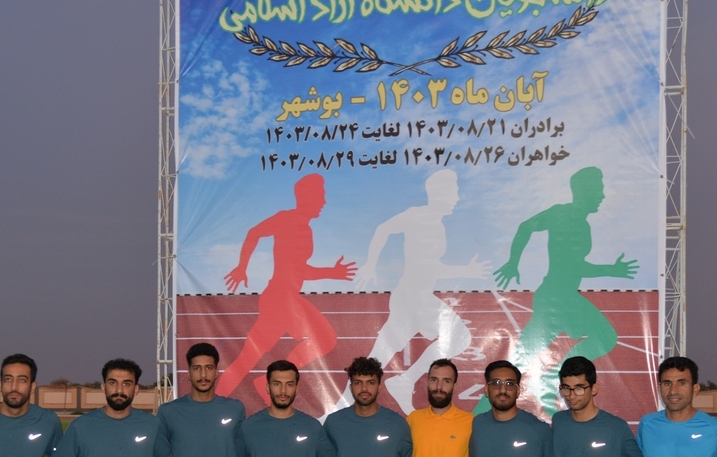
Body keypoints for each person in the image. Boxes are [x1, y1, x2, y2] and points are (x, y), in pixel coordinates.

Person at [490, 166, 639, 417]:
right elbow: (572, 264)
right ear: (584, 191)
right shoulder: (569, 218)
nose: (602, 195)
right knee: (601, 338)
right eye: (598, 190)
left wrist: (514, 262)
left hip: (560, 297)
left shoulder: (570, 217)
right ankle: (549, 380)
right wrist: (612, 270)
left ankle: (550, 379)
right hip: (557, 299)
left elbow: (527, 227)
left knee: (520, 361)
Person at [343, 169, 488, 413]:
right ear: (440, 194)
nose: (457, 198)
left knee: (377, 359)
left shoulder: (436, 225)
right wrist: (370, 264)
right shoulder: (418, 217)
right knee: (375, 362)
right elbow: (386, 231)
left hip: (418, 297)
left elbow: (427, 264)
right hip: (412, 298)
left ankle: (404, 381)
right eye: (453, 192)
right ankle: (397, 384)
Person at [218, 173, 356, 403]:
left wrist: (332, 272)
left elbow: (299, 270)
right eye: (321, 196)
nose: (324, 201)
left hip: (285, 299)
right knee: (250, 357)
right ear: (307, 197)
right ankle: (225, 397)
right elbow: (254, 233)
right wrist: (241, 267)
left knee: (250, 357)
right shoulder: (286, 219)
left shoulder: (305, 229)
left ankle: (267, 381)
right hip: (280, 299)